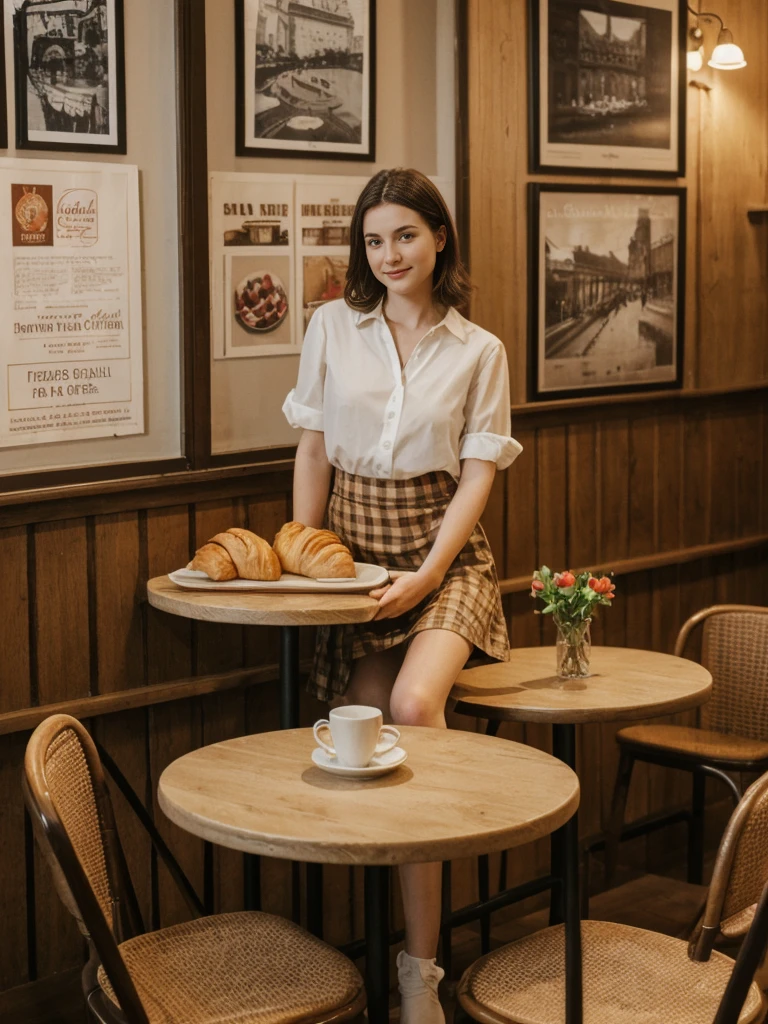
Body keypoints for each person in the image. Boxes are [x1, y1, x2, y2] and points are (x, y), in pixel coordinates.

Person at [282, 168, 522, 1023]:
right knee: (360, 739)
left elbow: (476, 477)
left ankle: (422, 969)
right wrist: (304, 560)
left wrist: (425, 574)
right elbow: (313, 451)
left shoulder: (479, 349)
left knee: (418, 706)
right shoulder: (330, 328)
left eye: (406, 236)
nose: (389, 254)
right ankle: (357, 953)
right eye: (374, 239)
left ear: (440, 237)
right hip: (349, 559)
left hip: (444, 561)